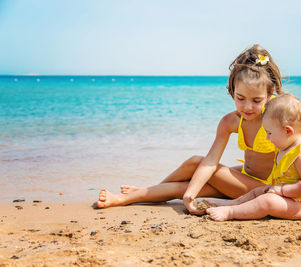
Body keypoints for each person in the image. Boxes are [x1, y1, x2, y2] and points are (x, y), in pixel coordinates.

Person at [97, 44, 284, 214]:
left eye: (256, 101)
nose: (247, 107)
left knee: (197, 166)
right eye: (240, 98)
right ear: (231, 91)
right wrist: (191, 195)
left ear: (269, 95)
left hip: (265, 188)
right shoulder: (230, 121)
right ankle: (147, 193)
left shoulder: (275, 118)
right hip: (243, 179)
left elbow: (298, 149)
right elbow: (212, 160)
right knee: (186, 185)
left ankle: (141, 194)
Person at [206, 94, 301, 221]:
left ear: (288, 131)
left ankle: (231, 212)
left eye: (270, 133)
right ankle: (232, 203)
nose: (267, 138)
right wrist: (274, 186)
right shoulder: (285, 146)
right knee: (257, 192)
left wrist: (282, 190)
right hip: (287, 198)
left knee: (268, 200)